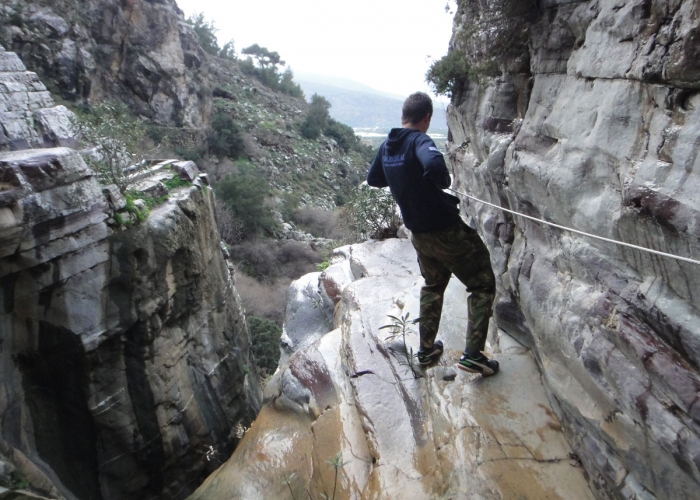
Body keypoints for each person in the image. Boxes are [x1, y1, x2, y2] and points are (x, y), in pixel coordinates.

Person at [366, 92, 499, 376]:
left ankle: (426, 351)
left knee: (433, 285)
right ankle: (473, 355)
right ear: (426, 118)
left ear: (404, 116)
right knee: (482, 283)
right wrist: (437, 180)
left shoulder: (388, 145)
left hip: (420, 235)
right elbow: (436, 166)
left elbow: (374, 179)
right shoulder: (420, 140)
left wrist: (405, 179)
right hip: (445, 229)